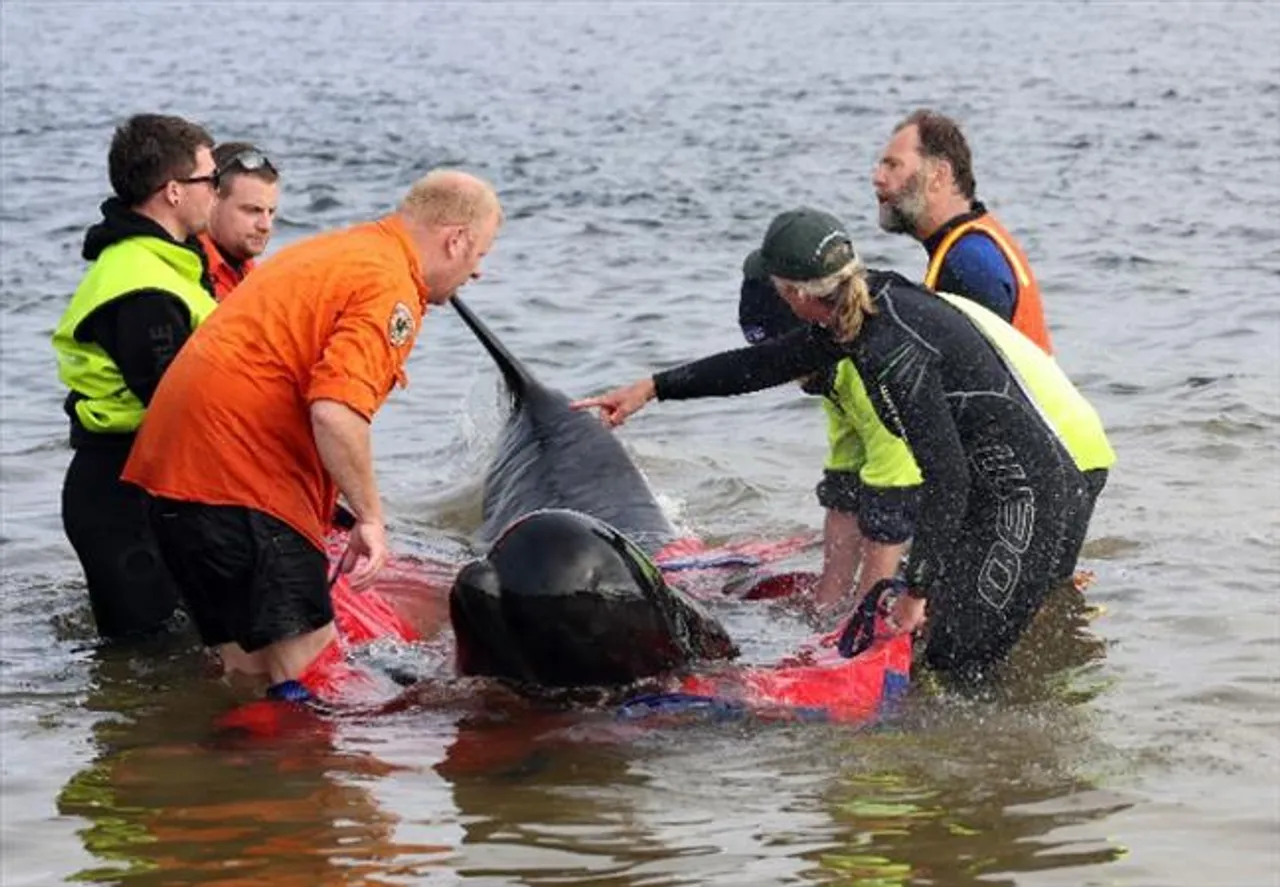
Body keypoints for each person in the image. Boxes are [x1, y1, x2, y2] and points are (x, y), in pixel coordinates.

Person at [574, 208, 1115, 685]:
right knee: (933, 652)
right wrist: (653, 388)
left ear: (796, 295)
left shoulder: (890, 351)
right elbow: (761, 365)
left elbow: (945, 476)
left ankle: (1003, 789)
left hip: (1025, 499)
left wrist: (915, 591)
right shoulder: (861, 310)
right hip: (992, 495)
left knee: (954, 666)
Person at [122, 169, 504, 699]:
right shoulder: (390, 283)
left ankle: (223, 773)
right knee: (318, 682)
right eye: (481, 254)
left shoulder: (342, 250)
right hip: (243, 488)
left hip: (172, 489)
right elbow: (336, 411)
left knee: (249, 674)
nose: (477, 272)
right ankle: (312, 779)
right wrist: (370, 517)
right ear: (455, 239)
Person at [51, 112, 219, 641]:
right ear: (173, 191)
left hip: (140, 484)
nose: (217, 191)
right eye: (210, 180)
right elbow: (177, 408)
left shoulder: (163, 262)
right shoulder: (142, 286)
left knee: (172, 658)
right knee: (153, 658)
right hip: (122, 495)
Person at [873, 108, 1053, 353]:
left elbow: (975, 382)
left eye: (893, 166)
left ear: (938, 176)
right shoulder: (976, 241)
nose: (878, 178)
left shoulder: (968, 265)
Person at [198, 141, 280, 300]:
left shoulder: (250, 271)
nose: (265, 226)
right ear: (212, 200)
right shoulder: (192, 271)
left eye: (271, 212)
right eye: (252, 210)